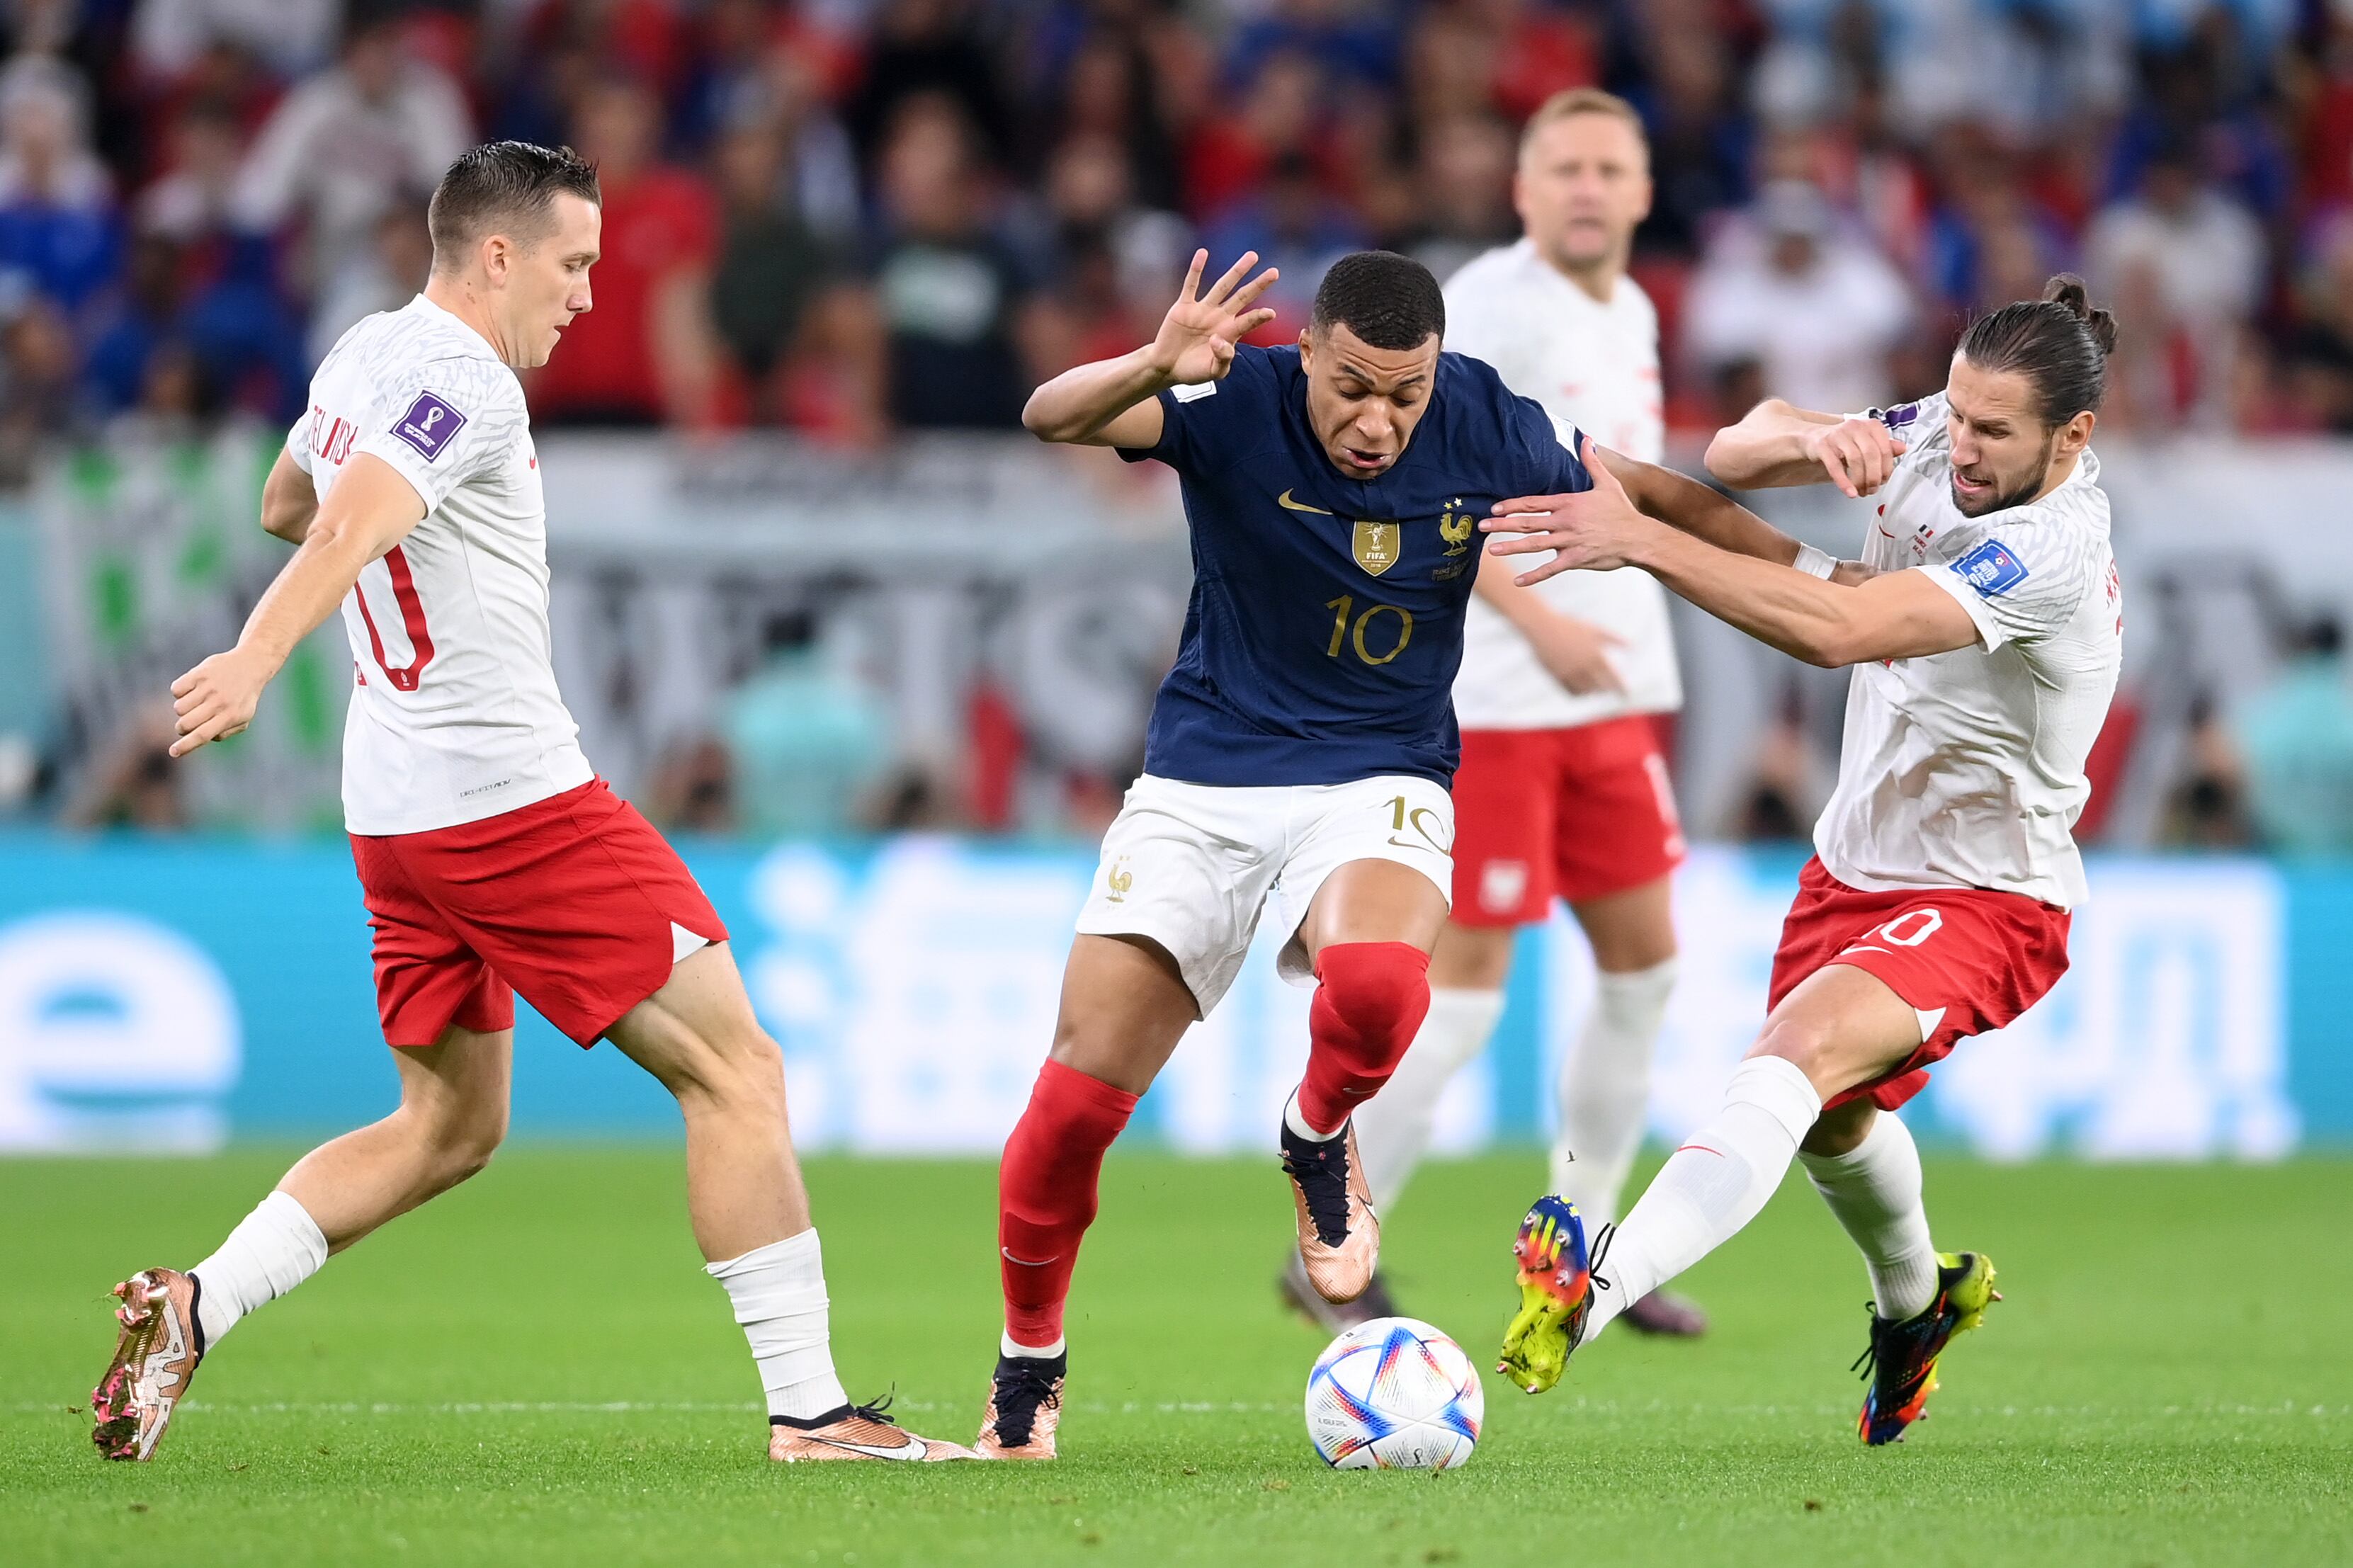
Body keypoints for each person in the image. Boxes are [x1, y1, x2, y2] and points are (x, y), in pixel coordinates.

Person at [91, 142, 971, 1466]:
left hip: (395, 816)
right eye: (573, 266)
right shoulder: (464, 382)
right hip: (510, 802)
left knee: (449, 1124)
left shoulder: (357, 353)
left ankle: (198, 1301)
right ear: (496, 254)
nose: (585, 297)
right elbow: (341, 526)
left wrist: (376, 553)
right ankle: (812, 1412)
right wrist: (259, 658)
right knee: (739, 1070)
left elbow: (289, 498)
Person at [1481, 276, 2122, 1446]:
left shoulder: (2050, 551)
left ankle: (1591, 1291)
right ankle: (1915, 1304)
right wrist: (1809, 433)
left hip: (1989, 894)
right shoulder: (1940, 424)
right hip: (1852, 868)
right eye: (1956, 413)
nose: (1959, 446)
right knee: (1827, 1118)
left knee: (1790, 1053)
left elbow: (1837, 628)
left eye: (1992, 432)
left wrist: (1641, 542)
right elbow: (1736, 456)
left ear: (2070, 436)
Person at [980, 247, 1597, 1460]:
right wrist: (1157, 361)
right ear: (1306, 351)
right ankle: (1029, 1360)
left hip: (1379, 772)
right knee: (1068, 1112)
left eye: (1402, 395)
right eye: (1353, 387)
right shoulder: (1236, 399)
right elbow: (1049, 415)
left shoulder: (1481, 416)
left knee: (1375, 987)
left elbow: (1631, 488)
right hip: (1202, 780)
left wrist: (1759, 514)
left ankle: (1318, 1132)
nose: (1378, 421)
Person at [1302, 88, 1704, 1339]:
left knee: (1645, 972)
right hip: (1502, 703)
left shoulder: (1630, 306)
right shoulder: (1482, 306)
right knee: (1465, 996)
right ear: (1523, 190)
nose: (1587, 188)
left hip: (1617, 693)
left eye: (1608, 168)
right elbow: (1420, 492)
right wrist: (1539, 621)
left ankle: (1578, 1247)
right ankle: (1340, 1235)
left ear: (1641, 191)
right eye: (1563, 168)